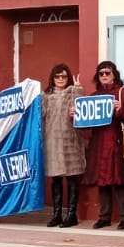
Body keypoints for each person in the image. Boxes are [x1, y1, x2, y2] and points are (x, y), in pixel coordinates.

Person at [83, 60, 124, 229]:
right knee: (102, 181)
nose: (104, 75)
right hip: (98, 143)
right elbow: (85, 122)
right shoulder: (94, 96)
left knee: (119, 180)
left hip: (116, 141)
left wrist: (120, 109)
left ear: (114, 75)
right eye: (101, 73)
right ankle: (104, 216)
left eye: (108, 72)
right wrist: (75, 114)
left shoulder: (123, 93)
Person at [41, 64, 85, 228]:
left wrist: (78, 89)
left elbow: (81, 111)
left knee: (72, 178)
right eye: (57, 76)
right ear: (52, 78)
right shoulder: (45, 96)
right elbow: (41, 115)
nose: (60, 79)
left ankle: (72, 214)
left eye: (64, 77)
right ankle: (57, 214)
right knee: (56, 179)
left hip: (70, 140)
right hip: (52, 140)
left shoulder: (73, 91)